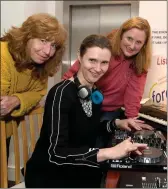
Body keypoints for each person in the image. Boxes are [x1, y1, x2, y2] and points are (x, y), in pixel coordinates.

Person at [25, 34, 152, 188]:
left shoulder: (94, 92)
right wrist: (108, 152)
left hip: (79, 169)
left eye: (104, 62)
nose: (98, 69)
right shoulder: (61, 93)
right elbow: (56, 153)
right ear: (80, 56)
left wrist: (117, 123)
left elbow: (87, 129)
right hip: (51, 176)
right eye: (92, 60)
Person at [0, 13, 67, 163]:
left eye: (53, 45)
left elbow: (39, 93)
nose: (48, 52)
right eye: (43, 41)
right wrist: (24, 99)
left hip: (6, 132)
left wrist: (17, 100)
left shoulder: (41, 65)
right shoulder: (2, 54)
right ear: (26, 36)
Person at [62, 16, 152, 121]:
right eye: (129, 38)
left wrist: (132, 120)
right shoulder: (104, 48)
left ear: (144, 45)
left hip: (110, 112)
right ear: (121, 35)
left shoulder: (140, 62)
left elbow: (133, 95)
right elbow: (72, 75)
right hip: (84, 103)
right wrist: (61, 95)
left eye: (138, 42)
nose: (132, 46)